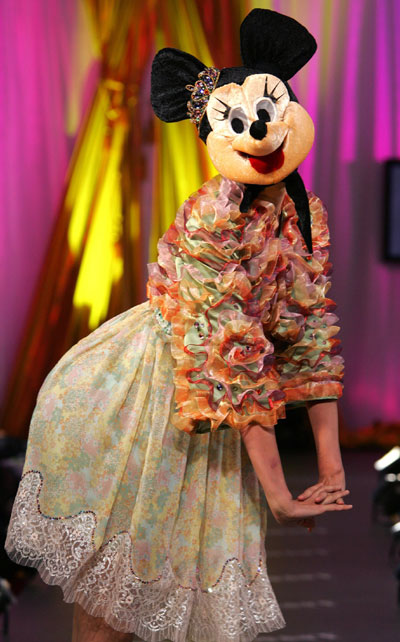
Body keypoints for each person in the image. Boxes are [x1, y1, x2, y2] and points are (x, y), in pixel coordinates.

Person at [5, 9, 352, 642]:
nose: (259, 133)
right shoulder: (211, 220)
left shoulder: (305, 214)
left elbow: (309, 336)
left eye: (267, 113)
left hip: (223, 419)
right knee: (115, 605)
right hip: (147, 400)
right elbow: (233, 361)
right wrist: (278, 493)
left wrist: (331, 465)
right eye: (238, 124)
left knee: (190, 604)